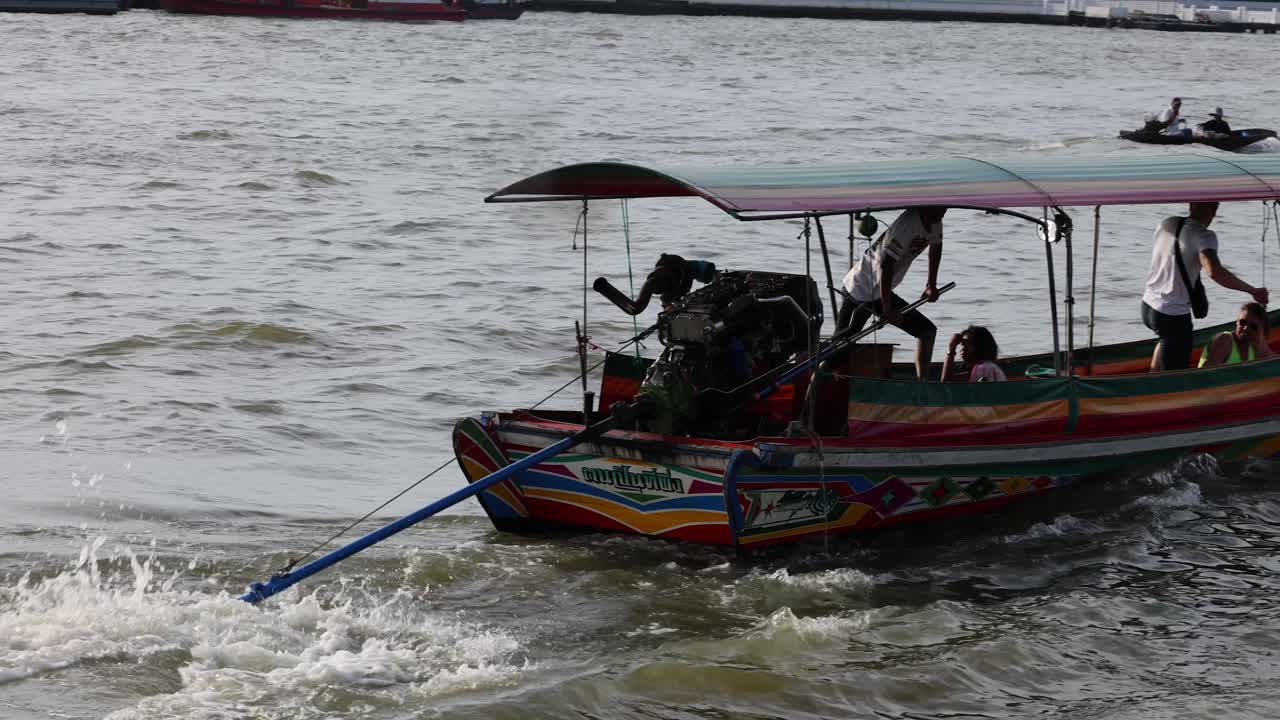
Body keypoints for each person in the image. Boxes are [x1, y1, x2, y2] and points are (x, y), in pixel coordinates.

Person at [1141, 202, 1269, 371]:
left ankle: (1152, 378)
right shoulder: (1204, 236)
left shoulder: (1167, 223)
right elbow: (1215, 272)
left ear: (1191, 205)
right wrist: (1252, 290)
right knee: (1175, 375)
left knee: (1166, 341)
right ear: (1214, 210)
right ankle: (1157, 393)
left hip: (1148, 307)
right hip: (1172, 316)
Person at [835, 206, 946, 380]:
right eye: (939, 210)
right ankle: (812, 391)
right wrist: (887, 309)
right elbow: (886, 266)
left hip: (880, 292)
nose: (941, 214)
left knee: (927, 332)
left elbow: (936, 248)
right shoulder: (908, 224)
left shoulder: (935, 218)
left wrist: (931, 284)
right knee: (838, 351)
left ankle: (922, 386)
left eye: (944, 210)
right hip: (859, 289)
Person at [1199, 302, 1274, 367]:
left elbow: (1275, 362)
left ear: (1262, 333)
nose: (1245, 328)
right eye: (1243, 322)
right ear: (1237, 322)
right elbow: (1205, 376)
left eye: (1253, 326)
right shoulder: (1225, 339)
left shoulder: (1255, 344)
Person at [940, 325, 1006, 382]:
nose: (963, 349)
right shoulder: (990, 367)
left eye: (967, 344)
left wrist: (951, 349)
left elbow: (946, 382)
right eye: (962, 344)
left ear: (980, 347)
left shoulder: (984, 368)